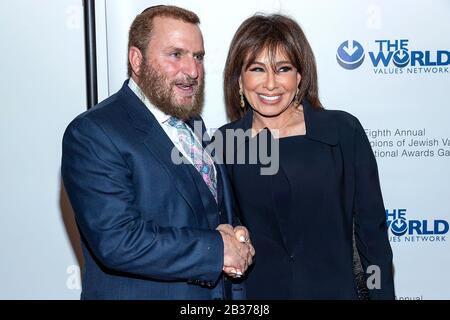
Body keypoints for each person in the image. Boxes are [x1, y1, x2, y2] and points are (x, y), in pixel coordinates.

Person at [61, 5, 254, 300]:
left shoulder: (194, 124)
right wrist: (218, 249)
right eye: (176, 54)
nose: (192, 71)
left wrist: (236, 236)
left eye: (198, 57)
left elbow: (208, 210)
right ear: (137, 60)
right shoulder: (93, 133)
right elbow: (118, 240)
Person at [215, 13, 395, 299]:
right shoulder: (224, 144)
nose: (271, 84)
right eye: (257, 69)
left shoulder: (341, 132)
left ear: (300, 76)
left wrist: (381, 296)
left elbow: (372, 235)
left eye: (283, 68)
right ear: (239, 78)